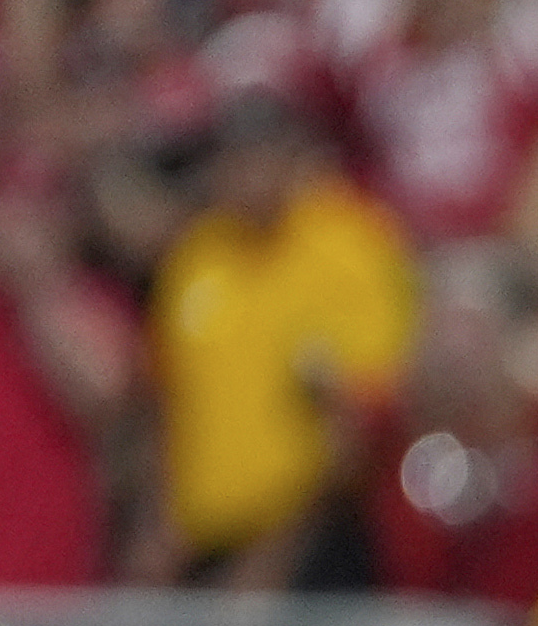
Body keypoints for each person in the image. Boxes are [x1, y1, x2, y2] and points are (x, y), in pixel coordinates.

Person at [146, 86, 416, 591]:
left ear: (293, 158)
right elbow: (168, 403)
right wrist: (159, 527)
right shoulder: (197, 257)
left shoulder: (350, 247)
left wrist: (276, 557)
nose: (247, 175)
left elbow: (361, 429)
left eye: (261, 155)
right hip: (204, 547)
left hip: (318, 544)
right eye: (233, 159)